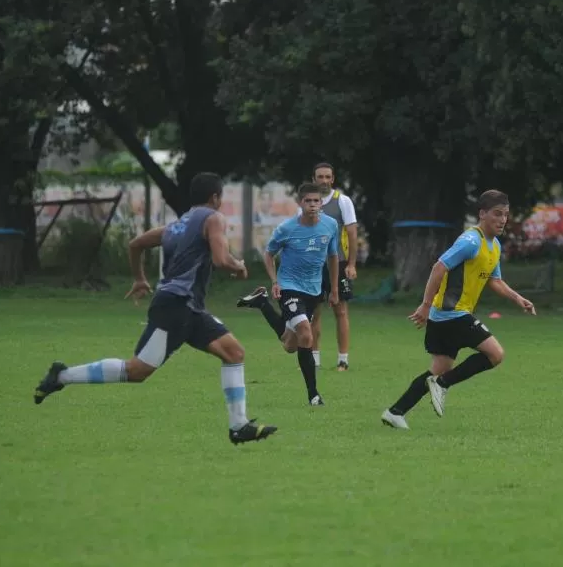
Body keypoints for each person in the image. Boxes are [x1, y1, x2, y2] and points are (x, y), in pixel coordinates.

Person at [32, 172, 278, 446]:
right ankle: (62, 375)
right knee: (137, 371)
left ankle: (239, 426)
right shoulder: (213, 218)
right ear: (215, 197)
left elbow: (135, 244)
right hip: (175, 306)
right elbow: (221, 259)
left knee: (234, 352)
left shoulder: (176, 226)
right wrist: (239, 265)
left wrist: (139, 277)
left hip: (188, 307)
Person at [381, 190, 536, 430]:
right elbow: (439, 268)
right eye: (497, 214)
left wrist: (518, 298)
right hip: (451, 314)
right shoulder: (470, 241)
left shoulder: (494, 246)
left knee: (438, 370)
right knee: (495, 354)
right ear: (482, 214)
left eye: (505, 214)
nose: (502, 219)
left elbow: (494, 280)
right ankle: (443, 385)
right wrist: (424, 304)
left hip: (446, 317)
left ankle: (396, 412)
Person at [235, 182, 340, 405]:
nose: (312, 205)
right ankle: (313, 394)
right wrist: (275, 281)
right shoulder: (286, 228)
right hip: (289, 286)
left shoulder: (330, 226)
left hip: (314, 289)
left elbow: (332, 257)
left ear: (321, 203)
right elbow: (268, 254)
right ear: (300, 203)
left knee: (290, 345)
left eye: (316, 201)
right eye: (308, 201)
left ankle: (262, 303)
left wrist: (334, 289)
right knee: (306, 332)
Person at [309, 162, 358, 371]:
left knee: (341, 311)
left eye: (327, 177)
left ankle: (343, 360)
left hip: (338, 262)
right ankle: (314, 359)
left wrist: (352, 264)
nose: (324, 181)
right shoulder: (309, 202)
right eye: (320, 177)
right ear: (314, 179)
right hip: (314, 264)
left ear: (333, 178)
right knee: (313, 312)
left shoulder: (343, 201)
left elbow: (352, 232)